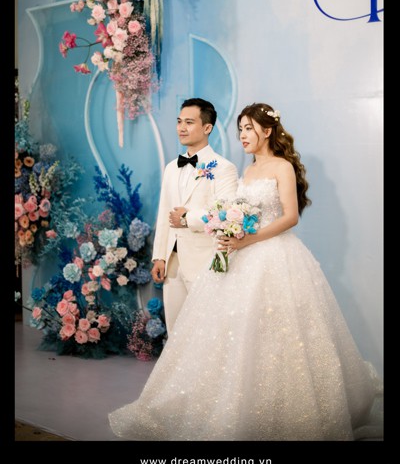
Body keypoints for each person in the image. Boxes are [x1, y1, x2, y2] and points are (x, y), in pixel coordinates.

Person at [109, 102, 383, 441]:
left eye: (249, 128)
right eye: (240, 129)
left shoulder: (281, 166)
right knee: (238, 336)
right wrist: (231, 230)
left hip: (276, 256)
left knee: (284, 333)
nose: (242, 135)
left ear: (267, 131)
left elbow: (290, 217)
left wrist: (248, 238)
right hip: (243, 253)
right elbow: (231, 211)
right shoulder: (249, 170)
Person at [151, 97, 238, 332]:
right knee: (175, 330)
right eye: (179, 121)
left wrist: (187, 218)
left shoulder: (224, 167)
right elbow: (164, 213)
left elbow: (225, 213)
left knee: (205, 331)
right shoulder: (171, 167)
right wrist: (159, 256)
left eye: (189, 122)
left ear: (207, 128)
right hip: (172, 262)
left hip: (205, 259)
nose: (181, 127)